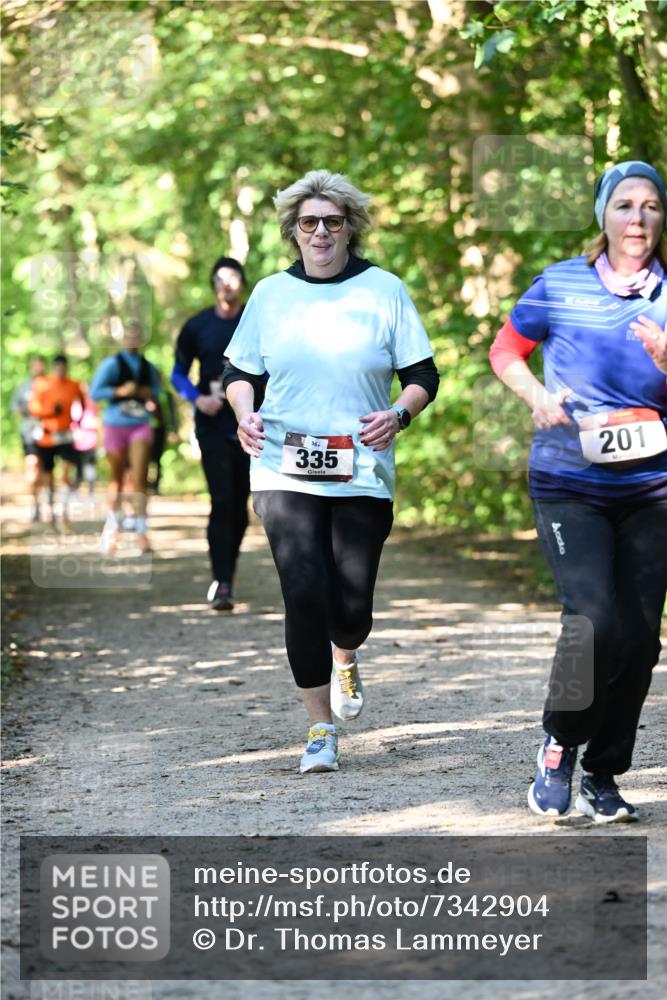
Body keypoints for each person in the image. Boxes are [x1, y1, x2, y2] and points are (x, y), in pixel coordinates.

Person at [223, 169, 439, 774]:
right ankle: (319, 728)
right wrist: (245, 414)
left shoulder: (384, 290)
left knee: (351, 606)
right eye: (309, 223)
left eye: (333, 222)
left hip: (361, 465)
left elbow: (423, 376)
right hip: (281, 464)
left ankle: (347, 654)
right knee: (302, 589)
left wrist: (398, 415)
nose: (320, 232)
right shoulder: (269, 294)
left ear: (350, 229)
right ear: (294, 231)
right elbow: (237, 373)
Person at [489, 160, 667, 823]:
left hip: (652, 486)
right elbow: (504, 349)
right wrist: (536, 396)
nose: (637, 219)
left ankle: (603, 772)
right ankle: (560, 744)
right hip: (569, 480)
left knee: (641, 638)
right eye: (624, 205)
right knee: (592, 619)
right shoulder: (560, 284)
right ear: (603, 215)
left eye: (650, 206)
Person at [171, 256, 250, 611]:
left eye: (233, 278)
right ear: (214, 285)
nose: (227, 284)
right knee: (222, 501)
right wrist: (197, 398)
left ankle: (228, 572)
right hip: (212, 427)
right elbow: (177, 374)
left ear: (242, 283)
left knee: (242, 507)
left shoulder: (255, 320)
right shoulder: (197, 326)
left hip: (252, 425)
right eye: (221, 279)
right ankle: (223, 582)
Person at [90, 321, 160, 555]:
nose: (132, 339)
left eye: (136, 334)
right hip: (115, 425)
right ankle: (111, 532)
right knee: (116, 481)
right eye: (128, 335)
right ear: (122, 339)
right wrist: (119, 391)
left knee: (140, 478)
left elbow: (157, 393)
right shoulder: (112, 364)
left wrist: (147, 394)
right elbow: (95, 392)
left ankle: (141, 532)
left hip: (140, 424)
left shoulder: (147, 366)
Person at [28, 354, 86, 526]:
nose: (61, 370)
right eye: (58, 367)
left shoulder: (74, 385)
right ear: (53, 368)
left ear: (66, 368)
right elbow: (34, 408)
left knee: (67, 471)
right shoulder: (42, 383)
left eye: (63, 367)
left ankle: (65, 510)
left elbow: (82, 403)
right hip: (47, 435)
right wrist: (51, 410)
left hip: (66, 433)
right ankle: (51, 509)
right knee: (48, 474)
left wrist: (78, 421)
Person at [11, 355, 47, 521]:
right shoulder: (24, 387)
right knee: (32, 465)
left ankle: (48, 502)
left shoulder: (51, 385)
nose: (38, 369)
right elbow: (16, 408)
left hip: (49, 432)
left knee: (46, 470)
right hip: (29, 431)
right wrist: (30, 412)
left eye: (41, 366)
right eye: (35, 366)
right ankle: (35, 505)